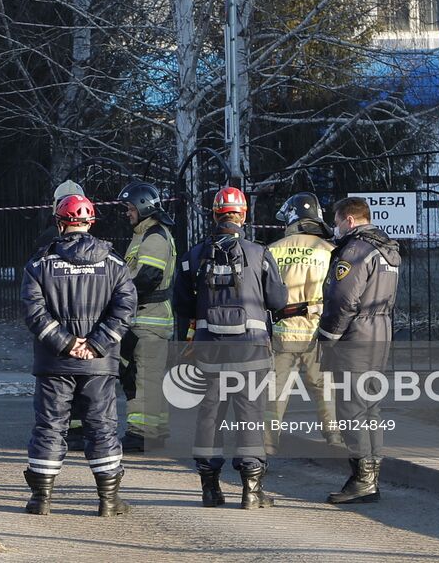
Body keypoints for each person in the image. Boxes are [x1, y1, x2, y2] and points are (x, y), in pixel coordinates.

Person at [21, 194, 138, 517]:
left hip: (54, 362)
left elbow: (34, 313)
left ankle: (41, 500)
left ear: (60, 223)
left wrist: (66, 343)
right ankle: (108, 501)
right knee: (102, 427)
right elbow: (125, 310)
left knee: (50, 427)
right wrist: (96, 344)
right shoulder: (115, 264)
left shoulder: (39, 265)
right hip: (99, 364)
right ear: (89, 223)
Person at [174, 186, 287, 509]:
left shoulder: (193, 255)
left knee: (209, 415)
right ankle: (252, 491)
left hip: (209, 349)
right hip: (251, 350)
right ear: (244, 215)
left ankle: (210, 489)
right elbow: (278, 300)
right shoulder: (259, 253)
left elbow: (181, 305)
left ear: (214, 214)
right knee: (250, 414)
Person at [317, 196, 401, 504]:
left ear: (350, 220)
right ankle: (371, 477)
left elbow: (342, 300)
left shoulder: (355, 250)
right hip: (380, 334)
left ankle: (362, 479)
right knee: (370, 408)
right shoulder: (388, 249)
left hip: (355, 337)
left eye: (337, 221)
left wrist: (327, 337)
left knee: (351, 409)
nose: (336, 227)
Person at [266, 192, 343, 451]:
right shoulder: (331, 251)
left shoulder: (273, 250)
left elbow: (265, 292)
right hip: (317, 330)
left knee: (276, 391)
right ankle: (334, 438)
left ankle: (267, 447)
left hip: (283, 331)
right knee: (324, 388)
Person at [117, 181, 177, 452]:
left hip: (148, 318)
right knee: (148, 375)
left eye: (130, 208)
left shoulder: (154, 236)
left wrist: (120, 299)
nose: (127, 213)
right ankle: (157, 429)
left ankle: (141, 433)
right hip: (146, 317)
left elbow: (147, 278)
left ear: (142, 207)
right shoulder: (145, 234)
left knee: (145, 377)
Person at [33, 179, 92, 452]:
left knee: (56, 393)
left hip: (57, 329)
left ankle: (63, 433)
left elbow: (35, 294)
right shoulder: (97, 246)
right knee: (87, 385)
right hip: (91, 325)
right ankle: (82, 431)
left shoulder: (47, 240)